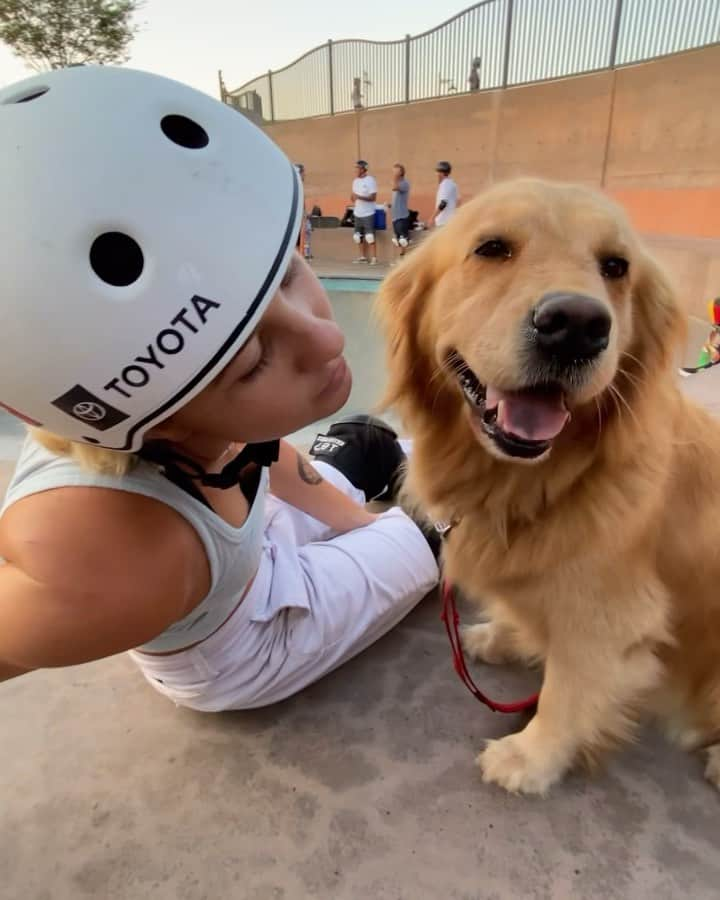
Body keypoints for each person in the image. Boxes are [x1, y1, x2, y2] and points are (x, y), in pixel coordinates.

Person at [0, 67, 438, 710]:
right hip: (247, 646)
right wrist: (396, 541)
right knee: (451, 520)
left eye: (287, 276)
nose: (327, 339)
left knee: (370, 443)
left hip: (254, 546)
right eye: (254, 360)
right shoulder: (120, 563)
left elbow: (245, 448)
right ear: (165, 426)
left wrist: (360, 527)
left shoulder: (171, 412)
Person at [351, 160, 378, 265]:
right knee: (357, 236)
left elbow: (373, 197)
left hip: (368, 212)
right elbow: (353, 196)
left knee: (370, 236)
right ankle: (362, 257)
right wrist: (353, 198)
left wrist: (360, 197)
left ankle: (374, 258)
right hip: (358, 212)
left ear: (363, 169)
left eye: (357, 168)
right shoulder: (355, 181)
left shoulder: (370, 180)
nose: (355, 170)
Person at [390, 163, 411, 262]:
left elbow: (394, 187)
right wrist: (390, 205)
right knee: (398, 240)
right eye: (393, 171)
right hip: (395, 216)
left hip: (402, 216)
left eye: (396, 171)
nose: (394, 173)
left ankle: (405, 259)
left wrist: (395, 177)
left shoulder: (404, 183)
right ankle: (402, 257)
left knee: (403, 240)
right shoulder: (397, 183)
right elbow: (396, 199)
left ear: (402, 172)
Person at [294, 163, 312, 261]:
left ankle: (304, 255)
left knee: (306, 235)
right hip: (298, 219)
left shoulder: (299, 186)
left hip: (302, 217)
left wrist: (305, 213)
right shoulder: (295, 186)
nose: (304, 175)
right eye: (303, 173)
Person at [433, 161, 459, 228]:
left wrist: (432, 218)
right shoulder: (453, 183)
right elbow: (458, 201)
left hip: (443, 221)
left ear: (441, 173)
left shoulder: (445, 185)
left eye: (437, 172)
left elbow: (443, 203)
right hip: (450, 220)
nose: (436, 174)